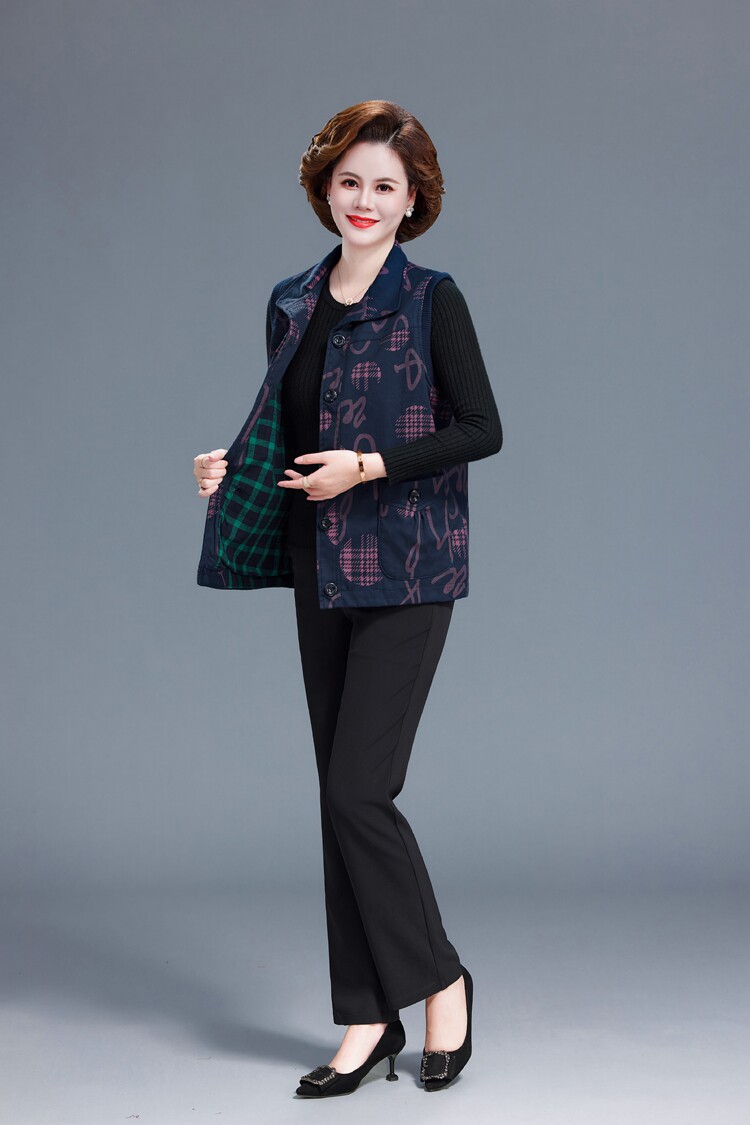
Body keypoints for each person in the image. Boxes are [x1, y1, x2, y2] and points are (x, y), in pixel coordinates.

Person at [192, 100, 502, 1097]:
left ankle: (441, 981)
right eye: (350, 182)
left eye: (385, 186)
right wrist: (229, 464)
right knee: (336, 794)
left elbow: (483, 428)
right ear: (325, 186)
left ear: (414, 201)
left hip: (410, 567)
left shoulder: (433, 299)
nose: (364, 200)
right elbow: (291, 427)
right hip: (320, 564)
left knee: (357, 791)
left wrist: (367, 467)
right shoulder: (291, 299)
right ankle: (367, 1018)